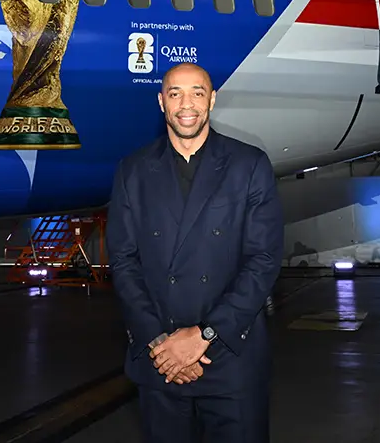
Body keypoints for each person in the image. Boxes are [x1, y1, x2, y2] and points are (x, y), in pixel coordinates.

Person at [106, 62, 284, 443]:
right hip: (161, 362)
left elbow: (263, 259)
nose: (186, 104)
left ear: (212, 99)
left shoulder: (249, 165)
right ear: (161, 102)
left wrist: (204, 335)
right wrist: (159, 342)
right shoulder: (132, 171)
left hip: (230, 357)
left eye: (197, 93)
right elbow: (123, 261)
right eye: (175, 94)